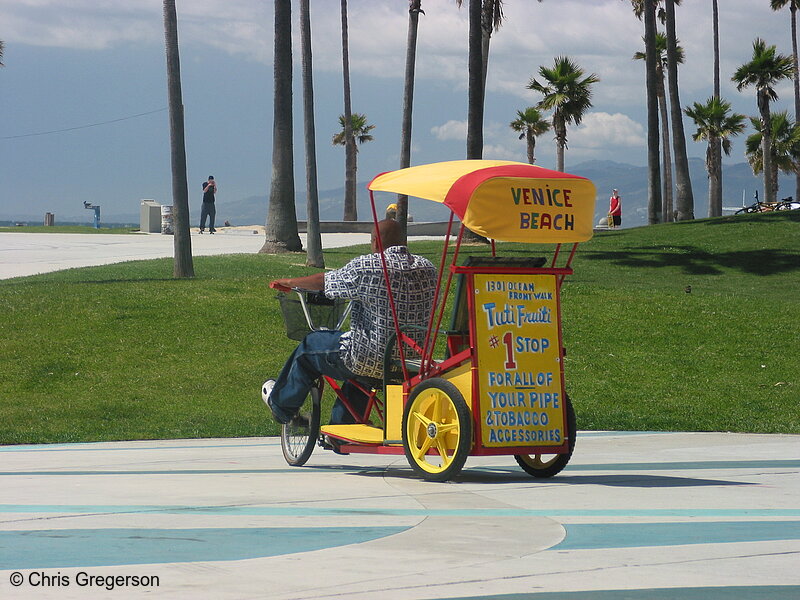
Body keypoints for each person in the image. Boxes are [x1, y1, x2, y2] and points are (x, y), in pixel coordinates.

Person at [262, 219, 436, 426]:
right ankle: (341, 426)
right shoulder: (428, 268)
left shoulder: (368, 266)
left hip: (370, 357)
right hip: (411, 360)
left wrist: (289, 283)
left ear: (376, 242)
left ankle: (282, 408)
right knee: (364, 374)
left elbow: (324, 282)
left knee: (310, 346)